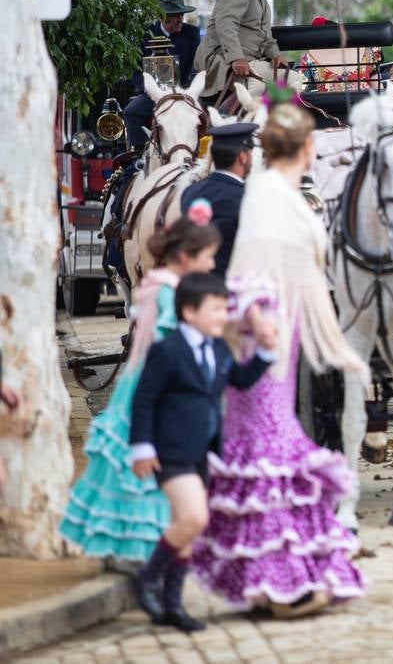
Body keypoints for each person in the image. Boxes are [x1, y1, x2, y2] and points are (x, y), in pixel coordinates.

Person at [191, 101, 368, 618]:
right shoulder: (269, 193)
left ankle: (279, 575)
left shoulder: (276, 191)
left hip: (277, 332)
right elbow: (251, 265)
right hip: (263, 334)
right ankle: (275, 579)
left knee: (269, 442)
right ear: (308, 148)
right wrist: (257, 317)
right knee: (267, 446)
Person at [61, 209, 221, 564]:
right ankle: (151, 550)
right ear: (185, 256)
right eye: (208, 258)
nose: (211, 266)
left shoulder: (158, 282)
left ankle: (143, 546)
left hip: (143, 377)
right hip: (161, 384)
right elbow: (170, 341)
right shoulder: (171, 293)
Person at [129, 271, 277, 632]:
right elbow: (144, 400)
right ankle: (146, 579)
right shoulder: (167, 350)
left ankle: (172, 605)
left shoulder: (218, 349)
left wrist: (266, 349)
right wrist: (141, 447)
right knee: (194, 518)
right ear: (190, 311)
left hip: (201, 451)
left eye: (225, 309)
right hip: (170, 451)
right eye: (215, 310)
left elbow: (240, 381)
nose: (224, 317)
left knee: (188, 529)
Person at [194, 0, 290, 108]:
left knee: (282, 80)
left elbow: (265, 37)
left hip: (248, 63)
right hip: (224, 63)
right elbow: (226, 23)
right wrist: (237, 58)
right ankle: (246, 124)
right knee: (293, 81)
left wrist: (276, 55)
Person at [125, 0, 203, 150]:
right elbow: (134, 69)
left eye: (182, 15)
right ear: (163, 18)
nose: (181, 20)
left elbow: (196, 65)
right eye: (176, 16)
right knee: (131, 112)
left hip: (182, 91)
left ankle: (194, 150)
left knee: (203, 113)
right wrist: (148, 89)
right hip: (152, 93)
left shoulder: (192, 33)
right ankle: (139, 155)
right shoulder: (144, 34)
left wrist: (185, 89)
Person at [179, 124, 256, 278]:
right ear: (243, 157)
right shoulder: (247, 199)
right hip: (231, 289)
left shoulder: (190, 192)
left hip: (192, 285)